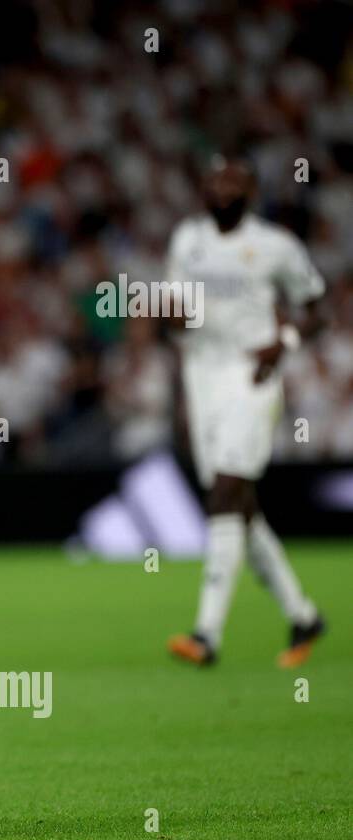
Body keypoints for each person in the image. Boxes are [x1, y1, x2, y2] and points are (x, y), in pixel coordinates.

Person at [165, 155, 327, 668]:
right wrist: (169, 315)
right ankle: (303, 615)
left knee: (226, 492)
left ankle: (206, 634)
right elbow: (176, 309)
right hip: (202, 376)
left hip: (251, 375)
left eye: (234, 179)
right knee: (239, 507)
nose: (223, 186)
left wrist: (286, 341)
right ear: (203, 188)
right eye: (214, 178)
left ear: (252, 189)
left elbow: (316, 306)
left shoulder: (276, 245)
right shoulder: (187, 240)